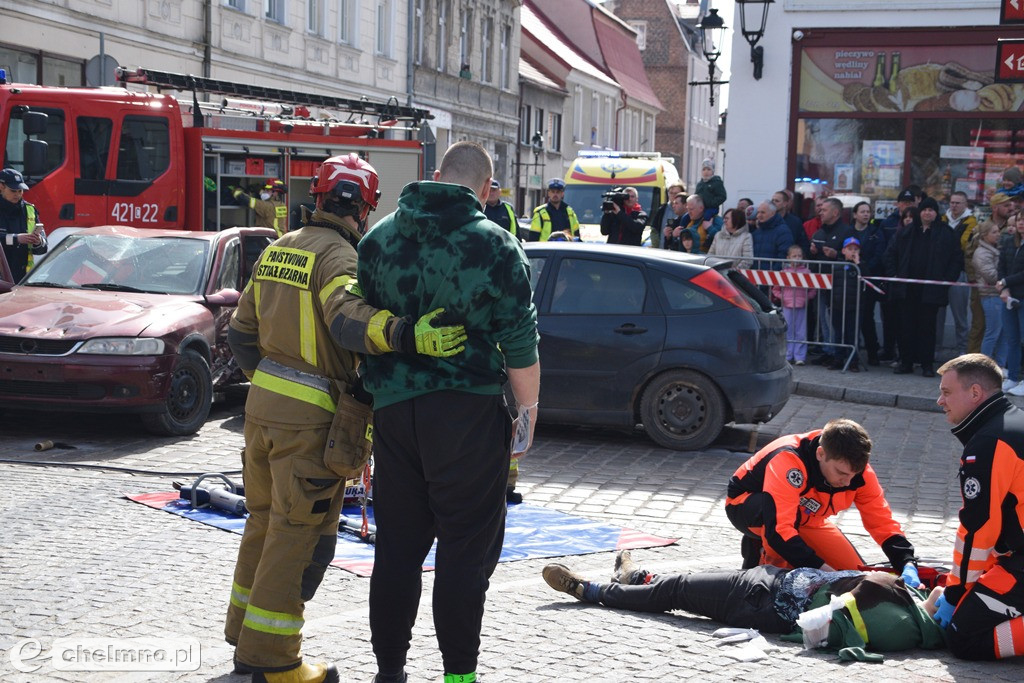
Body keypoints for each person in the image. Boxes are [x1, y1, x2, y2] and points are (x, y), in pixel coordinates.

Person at [223, 154, 467, 683]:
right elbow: (345, 317)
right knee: (297, 536)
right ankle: (274, 661)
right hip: (309, 424)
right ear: (366, 208)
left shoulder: (278, 250)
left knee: (263, 523)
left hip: (261, 414)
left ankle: (243, 634)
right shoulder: (339, 257)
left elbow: (240, 333)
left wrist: (274, 380)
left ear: (318, 196)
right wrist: (405, 334)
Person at [357, 141, 541, 683]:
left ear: (436, 175)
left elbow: (362, 322)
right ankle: (459, 675)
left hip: (393, 411)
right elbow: (521, 344)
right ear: (486, 190)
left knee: (396, 550)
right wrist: (527, 415)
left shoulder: (379, 238)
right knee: (464, 551)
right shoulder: (496, 245)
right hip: (467, 414)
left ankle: (390, 671)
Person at [542, 551, 945, 660]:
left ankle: (588, 589)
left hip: (759, 600)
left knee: (678, 592)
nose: (939, 592)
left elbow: (832, 620)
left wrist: (841, 602)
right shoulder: (909, 605)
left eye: (944, 600)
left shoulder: (903, 623)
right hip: (769, 582)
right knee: (685, 587)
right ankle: (636, 576)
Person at [725, 418, 919, 578]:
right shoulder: (789, 460)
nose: (847, 482)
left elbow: (882, 522)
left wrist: (906, 561)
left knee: (854, 574)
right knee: (788, 568)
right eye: (841, 473)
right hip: (748, 507)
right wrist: (823, 570)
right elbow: (779, 529)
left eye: (854, 474)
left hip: (808, 518)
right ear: (820, 453)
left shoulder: (857, 472)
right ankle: (760, 557)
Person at [933, 354, 1024, 660]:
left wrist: (955, 592)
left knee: (963, 636)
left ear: (975, 393)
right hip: (1015, 555)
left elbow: (978, 529)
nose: (939, 401)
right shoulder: (1015, 421)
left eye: (946, 392)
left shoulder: (989, 442)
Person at [885, 197, 963, 377]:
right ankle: (906, 362)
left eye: (931, 210)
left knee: (927, 328)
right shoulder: (905, 232)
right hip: (907, 289)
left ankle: (927, 364)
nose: (928, 213)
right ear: (920, 212)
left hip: (931, 290)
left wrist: (947, 280)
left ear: (937, 213)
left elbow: (956, 259)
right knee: (906, 327)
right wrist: (894, 276)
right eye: (925, 209)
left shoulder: (946, 233)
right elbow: (890, 255)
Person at [850, 201, 887, 366]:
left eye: (868, 212)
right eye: (862, 211)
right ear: (855, 214)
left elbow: (879, 255)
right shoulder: (848, 232)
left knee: (867, 318)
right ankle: (851, 352)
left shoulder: (876, 233)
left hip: (868, 280)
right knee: (850, 317)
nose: (866, 214)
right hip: (851, 282)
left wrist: (864, 268)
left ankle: (872, 352)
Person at [0, 168, 46, 282]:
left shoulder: (30, 210)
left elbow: (43, 248)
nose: (17, 194)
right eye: (13, 191)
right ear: (1, 186)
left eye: (20, 191)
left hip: (23, 279)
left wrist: (38, 241)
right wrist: (17, 239)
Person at [772, 244, 815, 366]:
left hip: (801, 306)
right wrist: (783, 298)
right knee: (788, 330)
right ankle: (787, 355)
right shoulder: (783, 273)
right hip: (787, 305)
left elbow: (813, 289)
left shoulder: (807, 272)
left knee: (801, 331)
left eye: (799, 256)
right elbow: (775, 289)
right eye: (794, 256)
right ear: (788, 257)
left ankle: (800, 356)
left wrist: (807, 298)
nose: (797, 258)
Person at [946, 191, 978, 353]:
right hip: (941, 272)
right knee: (936, 316)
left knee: (960, 316)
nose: (954, 206)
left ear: (965, 204)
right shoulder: (943, 219)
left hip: (960, 272)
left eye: (958, 203)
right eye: (952, 202)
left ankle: (962, 350)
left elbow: (964, 244)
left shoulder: (971, 221)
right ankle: (935, 349)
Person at [996, 211, 1024, 396]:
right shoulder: (1008, 242)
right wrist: (1003, 288)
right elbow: (1001, 266)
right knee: (1012, 339)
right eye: (1020, 219)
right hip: (1010, 298)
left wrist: (1005, 282)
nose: (1021, 223)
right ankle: (1012, 377)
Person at [830, 237, 863, 372]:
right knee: (838, 333)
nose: (853, 252)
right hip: (838, 306)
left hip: (854, 307)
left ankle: (853, 360)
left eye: (856, 249)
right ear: (843, 251)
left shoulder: (861, 266)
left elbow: (865, 279)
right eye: (850, 249)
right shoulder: (837, 266)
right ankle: (838, 358)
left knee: (852, 334)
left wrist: (859, 264)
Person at [972, 222, 1003, 360]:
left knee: (1003, 333)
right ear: (985, 235)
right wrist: (1008, 277)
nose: (998, 235)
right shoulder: (981, 253)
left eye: (998, 231)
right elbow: (991, 276)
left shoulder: (996, 249)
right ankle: (984, 365)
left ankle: (1001, 365)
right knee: (993, 332)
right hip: (991, 295)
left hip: (998, 295)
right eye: (994, 232)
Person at [751, 201, 793, 270]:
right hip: (755, 275)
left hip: (773, 276)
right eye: (758, 212)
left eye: (763, 212)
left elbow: (784, 255)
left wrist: (773, 272)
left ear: (772, 213)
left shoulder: (783, 231)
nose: (759, 215)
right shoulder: (757, 232)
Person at [648, 181, 686, 249]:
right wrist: (656, 246)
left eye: (676, 193)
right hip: (662, 249)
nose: (673, 195)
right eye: (671, 193)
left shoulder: (685, 212)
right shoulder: (662, 209)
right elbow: (654, 230)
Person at [772, 189, 809, 254]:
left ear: (785, 204)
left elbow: (802, 243)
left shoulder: (795, 222)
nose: (774, 203)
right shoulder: (768, 220)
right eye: (772, 201)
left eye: (777, 201)